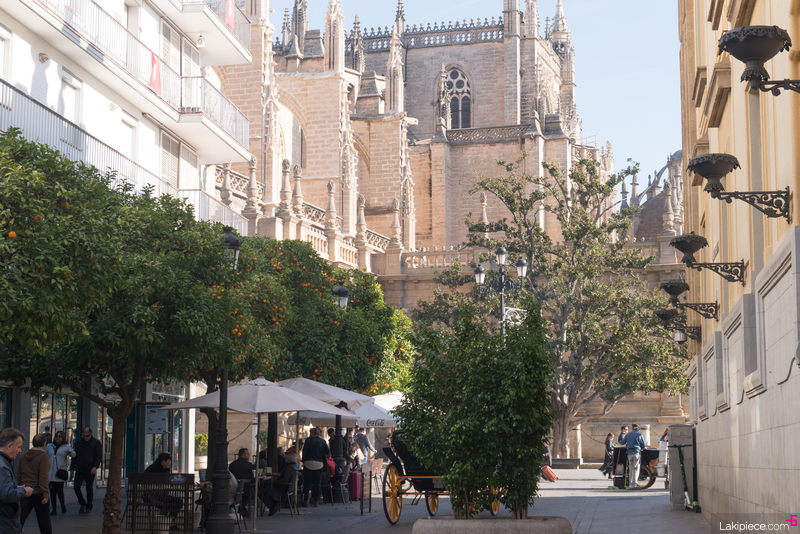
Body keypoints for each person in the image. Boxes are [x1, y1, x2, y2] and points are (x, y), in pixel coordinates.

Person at [0, 429, 34, 534]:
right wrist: (24, 491)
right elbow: (7, 494)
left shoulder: (4, 463)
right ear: (9, 446)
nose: (20, 451)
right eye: (18, 447)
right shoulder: (2, 466)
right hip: (5, 523)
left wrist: (14, 487)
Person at [17, 434, 52, 534]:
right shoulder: (43, 456)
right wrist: (45, 493)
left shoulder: (24, 455)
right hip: (38, 491)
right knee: (44, 521)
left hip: (24, 491)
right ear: (44, 444)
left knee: (19, 519)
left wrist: (18, 488)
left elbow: (18, 474)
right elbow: (43, 476)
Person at [70, 427, 102, 516]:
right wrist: (72, 468)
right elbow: (75, 456)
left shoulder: (96, 443)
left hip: (90, 468)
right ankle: (82, 503)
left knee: (89, 488)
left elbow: (99, 456)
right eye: (84, 436)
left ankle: (89, 507)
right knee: (76, 487)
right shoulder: (79, 442)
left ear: (91, 434)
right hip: (80, 468)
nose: (86, 438)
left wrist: (95, 467)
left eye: (87, 436)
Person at [45, 430, 75, 515]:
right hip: (50, 473)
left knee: (60, 491)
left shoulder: (66, 446)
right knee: (52, 493)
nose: (57, 438)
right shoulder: (49, 446)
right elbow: (43, 454)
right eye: (56, 436)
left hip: (60, 473)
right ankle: (54, 509)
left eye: (60, 436)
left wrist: (70, 453)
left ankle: (62, 505)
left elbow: (74, 454)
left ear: (63, 438)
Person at [300, 428, 330, 507]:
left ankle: (306, 501)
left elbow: (304, 451)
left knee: (307, 483)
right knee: (317, 483)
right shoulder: (322, 441)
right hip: (319, 463)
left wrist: (303, 460)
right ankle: (316, 501)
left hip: (308, 463)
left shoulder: (308, 440)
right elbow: (327, 451)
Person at [262, 452, 298, 516]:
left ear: (288, 460)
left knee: (260, 492)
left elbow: (285, 480)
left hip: (281, 488)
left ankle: (272, 504)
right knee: (266, 491)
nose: (284, 459)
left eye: (285, 458)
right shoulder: (295, 467)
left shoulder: (289, 468)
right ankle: (273, 503)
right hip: (288, 488)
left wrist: (275, 482)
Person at [229, 448, 255, 517]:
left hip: (234, 488)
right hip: (245, 488)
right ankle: (242, 506)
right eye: (247, 454)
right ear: (243, 455)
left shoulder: (232, 464)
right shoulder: (248, 464)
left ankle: (241, 506)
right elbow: (252, 479)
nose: (249, 455)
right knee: (253, 491)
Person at [619, 423, 646, 489]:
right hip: (636, 453)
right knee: (635, 469)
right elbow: (643, 445)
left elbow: (622, 442)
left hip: (629, 453)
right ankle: (634, 485)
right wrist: (641, 449)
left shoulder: (628, 434)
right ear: (637, 429)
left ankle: (630, 484)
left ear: (632, 428)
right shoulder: (639, 435)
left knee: (631, 468)